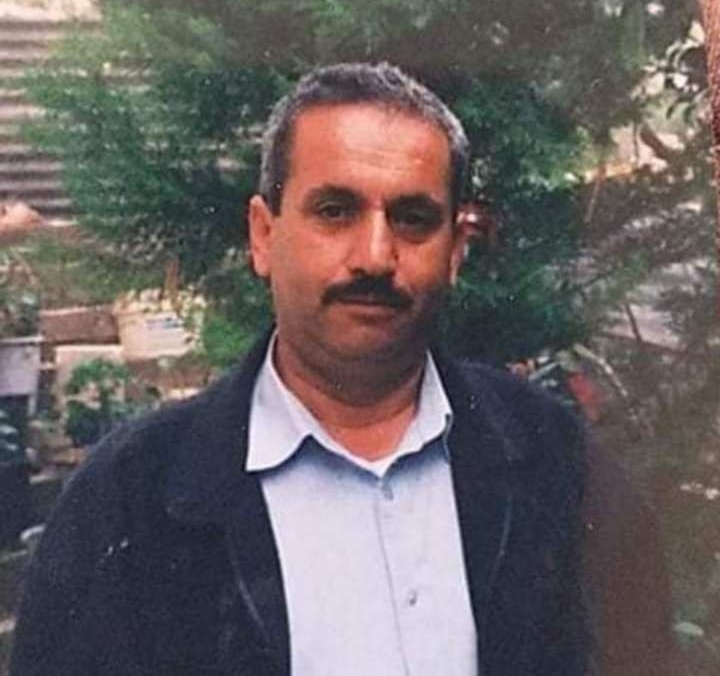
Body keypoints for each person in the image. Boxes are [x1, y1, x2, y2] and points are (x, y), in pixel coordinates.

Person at [11, 63, 674, 676]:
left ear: (454, 251)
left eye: (413, 218)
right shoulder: (132, 498)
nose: (375, 256)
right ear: (263, 235)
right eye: (335, 211)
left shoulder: (554, 466)